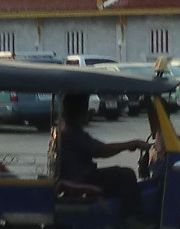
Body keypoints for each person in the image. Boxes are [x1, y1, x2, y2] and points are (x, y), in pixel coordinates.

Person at [55, 93, 149, 222]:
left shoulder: (68, 129)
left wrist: (129, 145)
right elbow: (101, 150)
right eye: (85, 109)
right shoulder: (72, 133)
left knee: (119, 175)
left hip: (79, 175)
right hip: (83, 178)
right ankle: (132, 220)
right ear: (79, 111)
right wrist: (133, 144)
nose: (87, 113)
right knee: (126, 175)